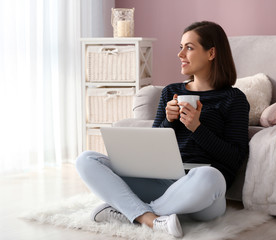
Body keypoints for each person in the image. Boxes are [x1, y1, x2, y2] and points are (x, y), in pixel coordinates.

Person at [76, 21, 249, 237]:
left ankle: (131, 211)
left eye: (189, 47)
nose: (180, 54)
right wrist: (168, 121)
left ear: (211, 53)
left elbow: (235, 157)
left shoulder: (234, 99)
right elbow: (153, 150)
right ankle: (151, 219)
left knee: (209, 175)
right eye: (181, 46)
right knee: (86, 159)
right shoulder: (170, 92)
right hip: (163, 182)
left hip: (203, 191)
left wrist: (197, 127)